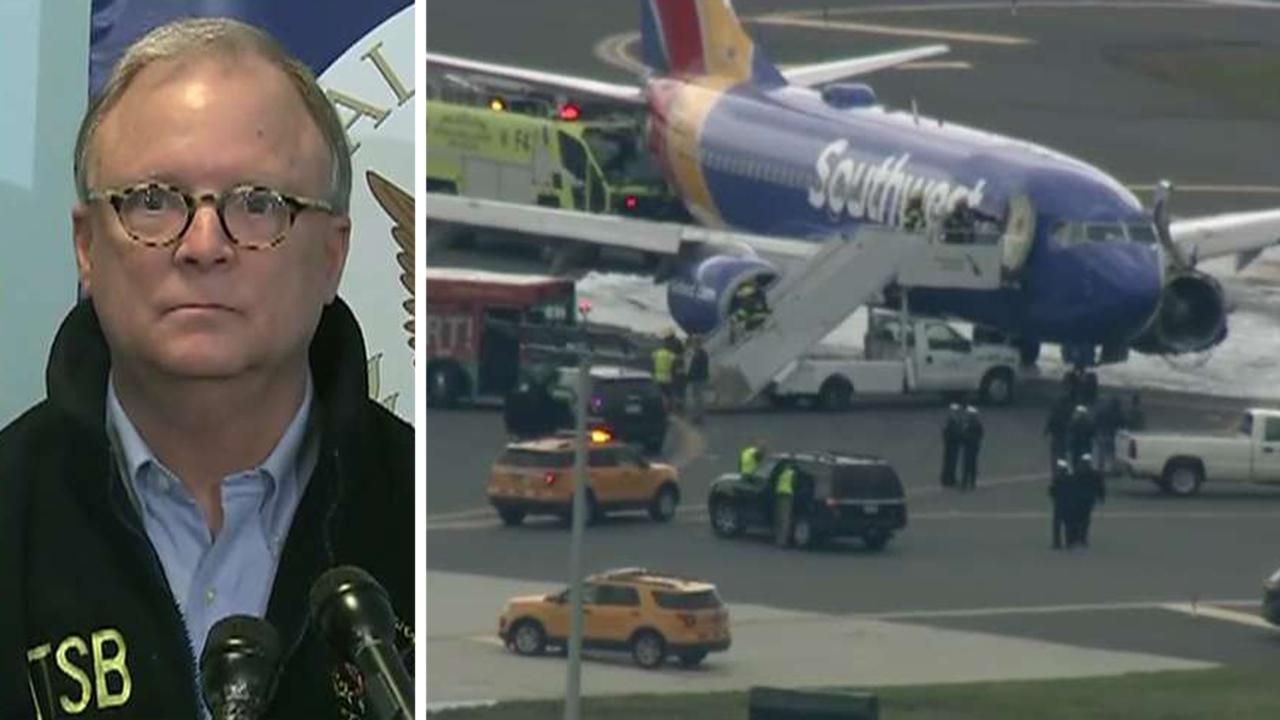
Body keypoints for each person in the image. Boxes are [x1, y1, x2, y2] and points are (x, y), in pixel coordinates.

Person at [0, 20, 414, 718]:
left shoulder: (418, 512)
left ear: (331, 256)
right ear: (86, 248)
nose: (202, 245)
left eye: (257, 205)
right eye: (154, 201)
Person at [1074, 453, 1106, 547]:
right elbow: (1100, 487)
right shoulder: (1094, 474)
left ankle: (1078, 537)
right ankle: (1083, 538)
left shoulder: (1078, 473)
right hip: (1088, 500)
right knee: (1085, 519)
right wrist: (1101, 497)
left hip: (1079, 499)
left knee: (1078, 519)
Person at [1094, 395, 1126, 473]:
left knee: (1101, 451)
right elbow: (1121, 422)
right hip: (1111, 434)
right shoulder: (1117, 412)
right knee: (1111, 452)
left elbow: (1096, 420)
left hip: (1101, 433)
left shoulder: (1103, 410)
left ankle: (1100, 467)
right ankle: (1111, 468)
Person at [686, 335, 710, 424]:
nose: (693, 345)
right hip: (699, 378)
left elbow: (695, 367)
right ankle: (698, 416)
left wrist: (689, 376)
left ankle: (699, 417)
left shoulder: (699, 353)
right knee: (697, 398)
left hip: (698, 378)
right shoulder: (701, 353)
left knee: (698, 398)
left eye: (694, 343)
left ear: (697, 343)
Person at [1049, 458, 1072, 550]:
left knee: (1057, 524)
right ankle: (1069, 542)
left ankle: (1057, 543)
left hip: (1059, 504)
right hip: (1068, 505)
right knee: (1068, 524)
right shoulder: (1070, 479)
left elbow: (1052, 492)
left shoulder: (1057, 479)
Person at [1044, 395, 1072, 471]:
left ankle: (1055, 471)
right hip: (1063, 436)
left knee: (1054, 455)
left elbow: (1050, 421)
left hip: (1056, 436)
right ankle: (1062, 470)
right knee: (1062, 455)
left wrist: (1046, 431)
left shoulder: (1055, 410)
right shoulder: (1067, 410)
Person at [960, 406, 984, 490]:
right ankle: (972, 483)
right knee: (972, 465)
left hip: (970, 447)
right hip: (973, 447)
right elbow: (980, 435)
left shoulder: (971, 424)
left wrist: (963, 436)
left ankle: (965, 484)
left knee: (967, 466)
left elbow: (967, 436)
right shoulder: (976, 424)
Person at [940, 403, 964, 488]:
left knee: (952, 463)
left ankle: (950, 479)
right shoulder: (950, 422)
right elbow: (947, 434)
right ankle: (947, 480)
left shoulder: (958, 420)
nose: (958, 413)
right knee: (949, 463)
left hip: (955, 445)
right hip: (951, 445)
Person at [774, 461, 797, 547]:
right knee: (785, 519)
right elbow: (795, 484)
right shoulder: (792, 473)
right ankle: (783, 541)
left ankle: (779, 539)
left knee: (780, 518)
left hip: (780, 495)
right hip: (787, 496)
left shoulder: (782, 472)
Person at [652, 337, 677, 410]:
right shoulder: (671, 354)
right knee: (668, 393)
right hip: (667, 377)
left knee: (660, 393)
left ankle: (661, 406)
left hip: (658, 377)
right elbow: (674, 363)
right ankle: (669, 407)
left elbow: (652, 358)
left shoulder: (657, 353)